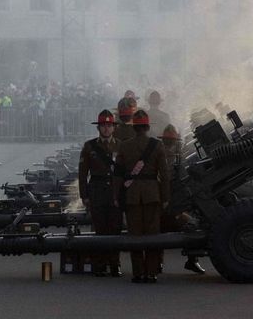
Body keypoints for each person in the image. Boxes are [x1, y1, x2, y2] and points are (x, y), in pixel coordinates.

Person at [113, 109, 169, 284]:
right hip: (152, 194)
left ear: (134, 128)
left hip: (132, 196)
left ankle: (138, 273)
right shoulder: (157, 145)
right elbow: (165, 175)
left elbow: (118, 174)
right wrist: (165, 197)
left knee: (135, 235)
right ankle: (151, 272)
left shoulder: (124, 146)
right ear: (147, 127)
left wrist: (116, 196)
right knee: (152, 234)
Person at [78, 110, 123, 277]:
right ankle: (100, 263)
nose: (106, 129)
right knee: (99, 228)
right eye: (103, 126)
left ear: (114, 128)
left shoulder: (120, 145)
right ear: (98, 128)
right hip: (96, 190)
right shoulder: (89, 146)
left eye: (109, 125)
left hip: (114, 191)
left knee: (115, 228)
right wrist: (84, 195)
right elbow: (82, 174)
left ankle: (114, 263)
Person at [160, 123, 205, 275]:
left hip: (176, 204)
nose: (169, 146)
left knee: (193, 225)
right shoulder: (158, 158)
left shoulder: (179, 159)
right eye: (167, 142)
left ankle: (192, 260)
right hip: (164, 205)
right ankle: (157, 263)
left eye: (171, 142)